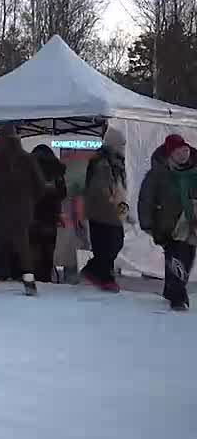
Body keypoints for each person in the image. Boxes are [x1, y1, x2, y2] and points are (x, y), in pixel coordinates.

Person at [0, 125, 45, 296]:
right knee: (23, 246)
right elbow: (40, 186)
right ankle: (29, 282)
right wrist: (30, 201)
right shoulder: (28, 159)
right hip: (22, 211)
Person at [139, 134, 197, 311]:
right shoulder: (158, 174)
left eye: (186, 151)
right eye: (179, 152)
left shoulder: (194, 172)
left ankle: (172, 290)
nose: (183, 155)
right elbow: (146, 199)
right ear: (170, 154)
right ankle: (178, 297)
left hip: (190, 223)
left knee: (187, 258)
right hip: (168, 224)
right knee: (176, 258)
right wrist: (147, 224)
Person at [82, 128, 129, 292]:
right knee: (107, 244)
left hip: (112, 209)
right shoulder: (102, 162)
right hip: (101, 210)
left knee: (114, 242)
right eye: (121, 144)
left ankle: (98, 272)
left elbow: (119, 186)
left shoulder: (116, 162)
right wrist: (110, 199)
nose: (123, 147)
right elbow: (99, 187)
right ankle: (103, 276)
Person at [30, 145, 68, 283]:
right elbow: (63, 193)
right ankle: (45, 278)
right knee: (48, 250)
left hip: (33, 217)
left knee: (33, 250)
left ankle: (33, 277)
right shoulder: (56, 171)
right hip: (51, 218)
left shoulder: (29, 169)